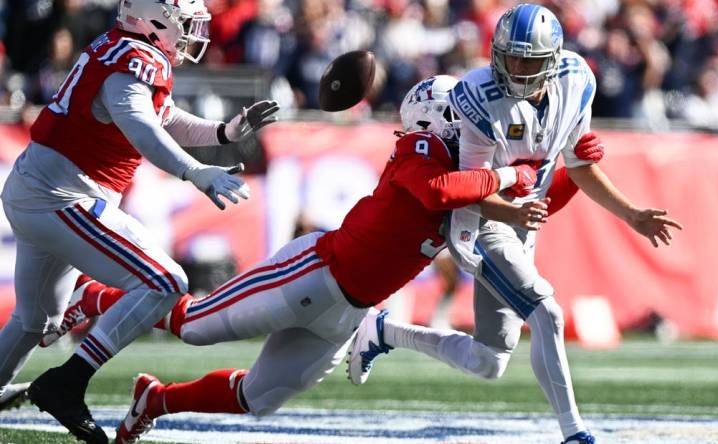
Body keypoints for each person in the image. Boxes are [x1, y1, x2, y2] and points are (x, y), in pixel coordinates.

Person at [41, 74, 599, 443]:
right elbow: (438, 193)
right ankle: (96, 297)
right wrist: (506, 173)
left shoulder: (473, 173)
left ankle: (156, 400)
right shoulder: (421, 149)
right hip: (314, 271)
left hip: (347, 312)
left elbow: (529, 208)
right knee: (193, 325)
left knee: (257, 398)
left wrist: (570, 169)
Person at [348, 5, 683, 444]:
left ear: (553, 58)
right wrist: (512, 212)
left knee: (489, 361)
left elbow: (579, 167)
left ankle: (384, 331)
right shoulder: (478, 94)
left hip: (522, 220)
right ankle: (574, 432)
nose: (518, 68)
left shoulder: (577, 79)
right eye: (511, 57)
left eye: (530, 60)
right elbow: (473, 190)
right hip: (481, 223)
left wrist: (632, 213)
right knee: (548, 312)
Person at [0, 0, 279, 442]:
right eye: (185, 22)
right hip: (64, 195)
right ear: (155, 19)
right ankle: (67, 382)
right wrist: (195, 172)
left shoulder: (122, 49)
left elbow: (163, 118)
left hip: (39, 186)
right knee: (165, 281)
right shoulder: (136, 59)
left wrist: (223, 132)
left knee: (35, 321)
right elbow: (143, 129)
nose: (191, 33)